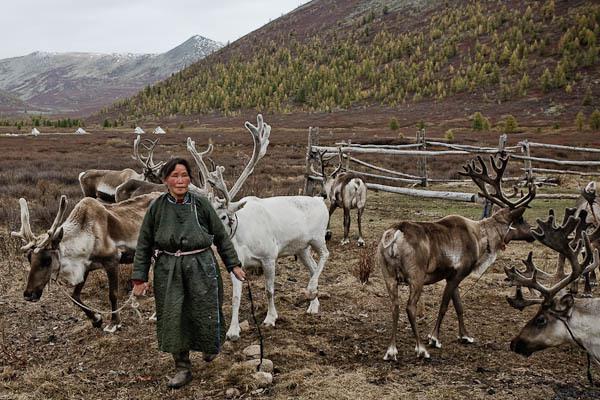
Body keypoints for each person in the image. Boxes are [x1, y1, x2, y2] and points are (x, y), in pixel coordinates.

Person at [131, 157, 246, 389]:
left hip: (201, 264)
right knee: (173, 316)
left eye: (184, 175)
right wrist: (139, 278)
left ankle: (209, 346)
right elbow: (144, 244)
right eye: (174, 176)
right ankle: (182, 367)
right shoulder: (157, 207)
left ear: (190, 179)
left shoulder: (201, 204)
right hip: (169, 268)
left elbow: (221, 237)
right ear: (165, 180)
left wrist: (233, 265)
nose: (180, 180)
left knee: (205, 308)